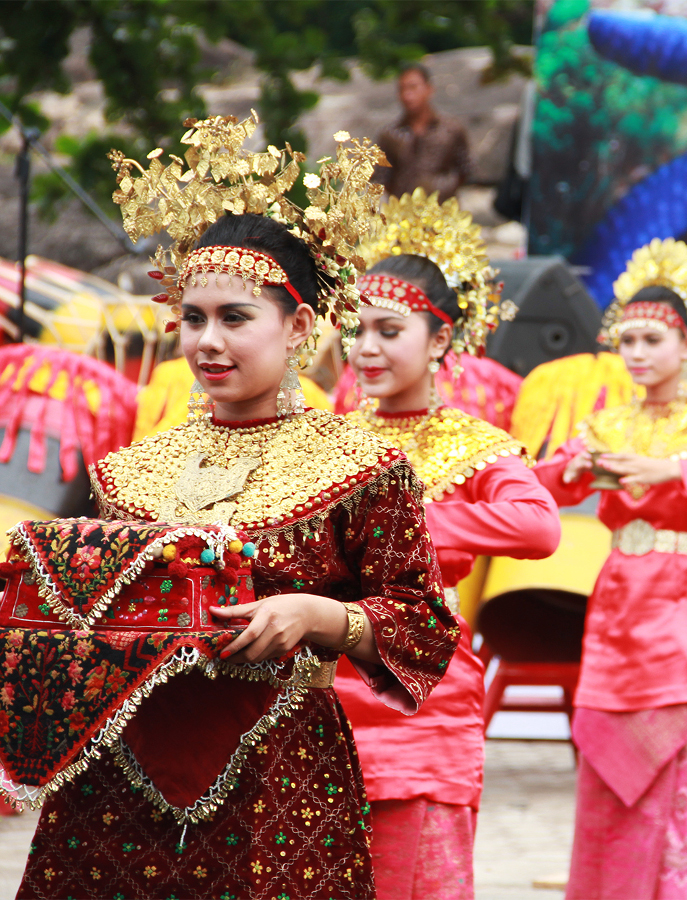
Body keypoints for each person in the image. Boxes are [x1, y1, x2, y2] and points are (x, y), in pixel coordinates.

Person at [15, 115, 459, 899]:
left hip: (279, 776)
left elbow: (425, 623)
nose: (207, 342)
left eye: (234, 318)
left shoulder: (365, 466)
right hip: (114, 776)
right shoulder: (128, 474)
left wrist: (321, 618)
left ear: (299, 327)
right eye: (192, 318)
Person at [536, 238, 687, 899]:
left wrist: (673, 469)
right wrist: (576, 469)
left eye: (652, 339)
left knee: (683, 754)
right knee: (606, 751)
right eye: (628, 339)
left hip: (682, 599)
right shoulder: (608, 423)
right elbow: (543, 489)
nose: (637, 353)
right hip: (617, 599)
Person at [333, 190, 560, 899]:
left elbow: (537, 525)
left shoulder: (472, 444)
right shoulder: (331, 441)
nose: (366, 348)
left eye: (388, 330)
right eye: (357, 329)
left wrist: (404, 530)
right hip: (322, 685)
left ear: (439, 341)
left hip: (421, 693)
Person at [374, 63, 471, 200]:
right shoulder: (390, 134)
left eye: (413, 87)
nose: (407, 95)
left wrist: (444, 188)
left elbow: (465, 170)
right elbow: (382, 177)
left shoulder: (451, 129)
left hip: (443, 211)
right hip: (403, 213)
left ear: (429, 89)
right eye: (402, 89)